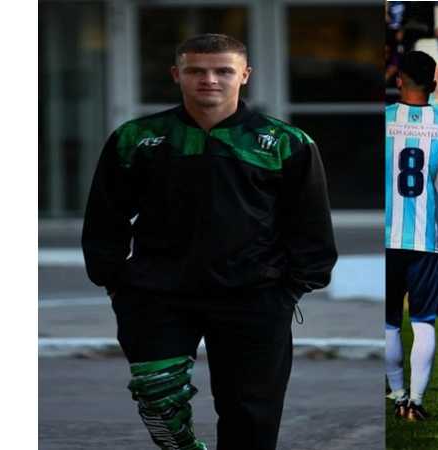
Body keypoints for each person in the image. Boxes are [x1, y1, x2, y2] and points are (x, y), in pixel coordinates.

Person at [81, 34, 337, 450]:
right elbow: (105, 215)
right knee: (158, 402)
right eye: (196, 70)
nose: (209, 80)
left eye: (223, 71)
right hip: (155, 293)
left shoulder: (285, 142)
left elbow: (310, 224)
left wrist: (290, 289)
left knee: (250, 414)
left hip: (254, 296)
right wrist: (113, 279)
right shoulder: (137, 137)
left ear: (245, 76)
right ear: (176, 74)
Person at [385, 50, 438, 421]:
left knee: (388, 321)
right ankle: (415, 403)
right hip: (426, 241)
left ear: (398, 79)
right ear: (435, 85)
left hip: (386, 240)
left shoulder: (383, 121)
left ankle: (398, 393)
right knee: (423, 322)